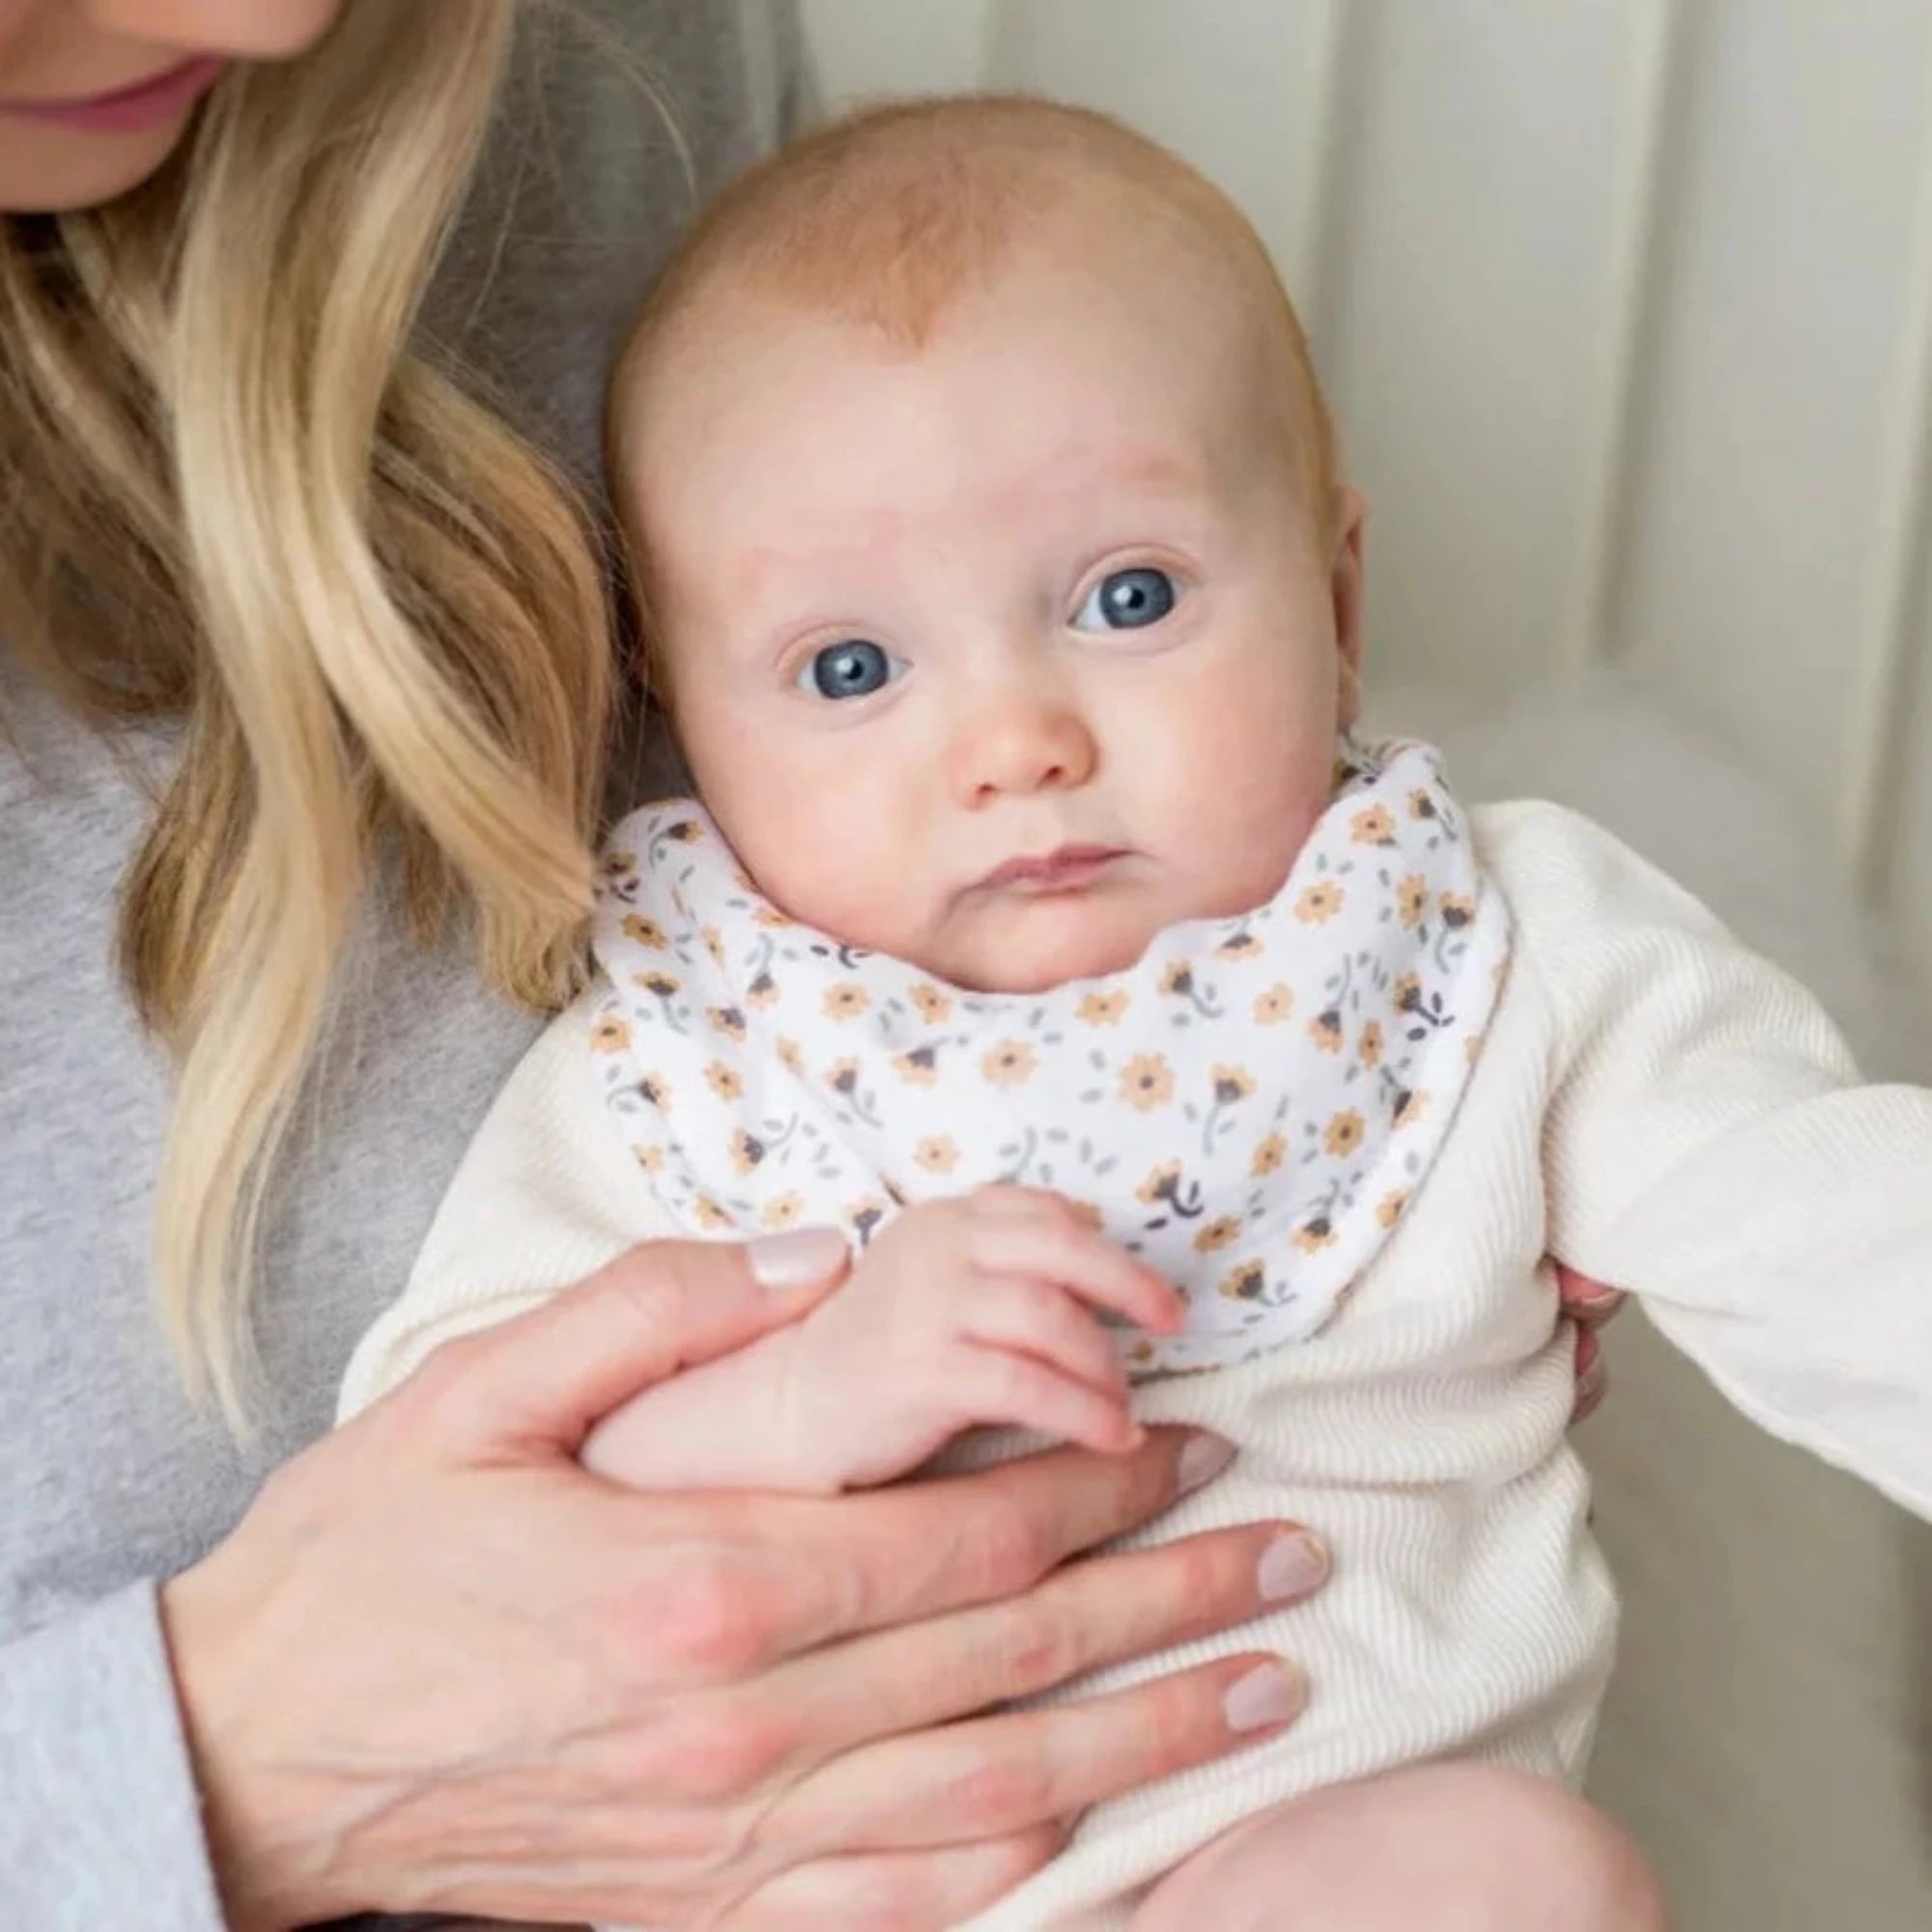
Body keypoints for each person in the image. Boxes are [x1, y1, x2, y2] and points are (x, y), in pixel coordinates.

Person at [0, 10, 1645, 1927]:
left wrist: (1410, 1137)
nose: (267, 13)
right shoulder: (622, 1115)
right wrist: (211, 1764)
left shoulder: (591, 70)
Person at [343, 98, 1932, 1931]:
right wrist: (806, 1389)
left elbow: (1833, 1224)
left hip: (1311, 1855)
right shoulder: (695, 1054)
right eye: (851, 668)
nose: (1017, 742)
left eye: (1131, 595)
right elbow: (463, 1471)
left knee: (1516, 1881)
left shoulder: (1478, 952)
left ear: (1336, 607)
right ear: (685, 719)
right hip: (830, 1881)